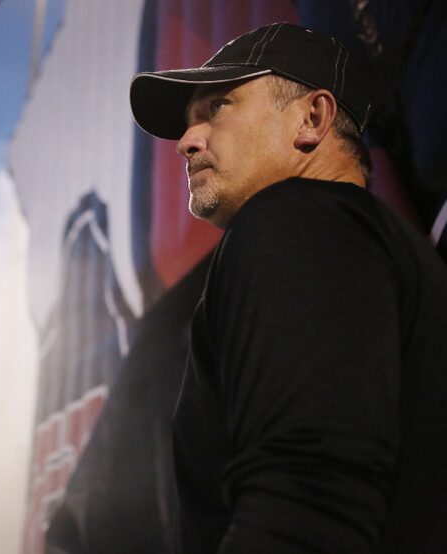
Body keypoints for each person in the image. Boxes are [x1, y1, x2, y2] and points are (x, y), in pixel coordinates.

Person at [129, 22, 447, 553]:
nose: (187, 141)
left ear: (312, 117)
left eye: (217, 108)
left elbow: (307, 503)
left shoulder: (294, 218)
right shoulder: (371, 247)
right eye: (188, 123)